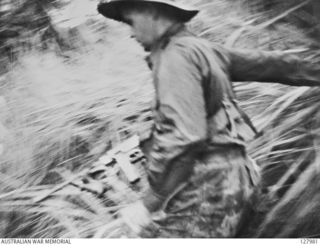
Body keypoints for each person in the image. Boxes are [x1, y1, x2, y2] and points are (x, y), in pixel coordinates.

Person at [97, 0, 320, 238]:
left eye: (130, 22)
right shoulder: (203, 49)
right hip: (240, 177)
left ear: (152, 11)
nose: (130, 33)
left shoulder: (175, 58)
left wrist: (150, 203)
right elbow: (277, 65)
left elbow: (183, 136)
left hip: (208, 192)